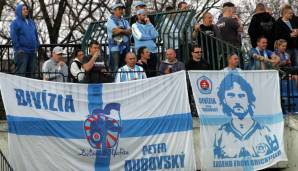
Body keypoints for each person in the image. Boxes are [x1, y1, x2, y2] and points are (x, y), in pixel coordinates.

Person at [214, 73, 279, 159]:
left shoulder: (265, 132)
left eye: (241, 95)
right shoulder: (220, 133)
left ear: (249, 99)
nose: (237, 101)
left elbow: (275, 157)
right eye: (231, 95)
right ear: (224, 100)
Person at [10, 2, 39, 78]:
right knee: (21, 75)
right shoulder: (15, 23)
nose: (26, 10)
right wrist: (18, 49)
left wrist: (36, 46)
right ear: (19, 11)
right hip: (22, 52)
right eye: (23, 9)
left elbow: (36, 35)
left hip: (32, 52)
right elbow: (13, 37)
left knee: (31, 75)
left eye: (26, 9)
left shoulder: (31, 22)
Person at [132, 9, 159, 76]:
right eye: (143, 15)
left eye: (146, 15)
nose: (145, 17)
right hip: (142, 54)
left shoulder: (149, 24)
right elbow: (140, 36)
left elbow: (156, 35)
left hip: (152, 52)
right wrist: (151, 37)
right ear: (138, 16)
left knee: (153, 72)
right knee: (143, 73)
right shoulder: (134, 25)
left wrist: (149, 24)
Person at [107, 3, 131, 72]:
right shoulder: (110, 21)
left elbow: (130, 32)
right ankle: (116, 82)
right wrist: (124, 30)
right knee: (116, 68)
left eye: (122, 9)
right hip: (115, 48)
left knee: (125, 67)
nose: (121, 11)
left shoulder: (125, 21)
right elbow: (115, 31)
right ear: (114, 10)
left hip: (125, 47)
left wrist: (120, 29)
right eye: (119, 9)